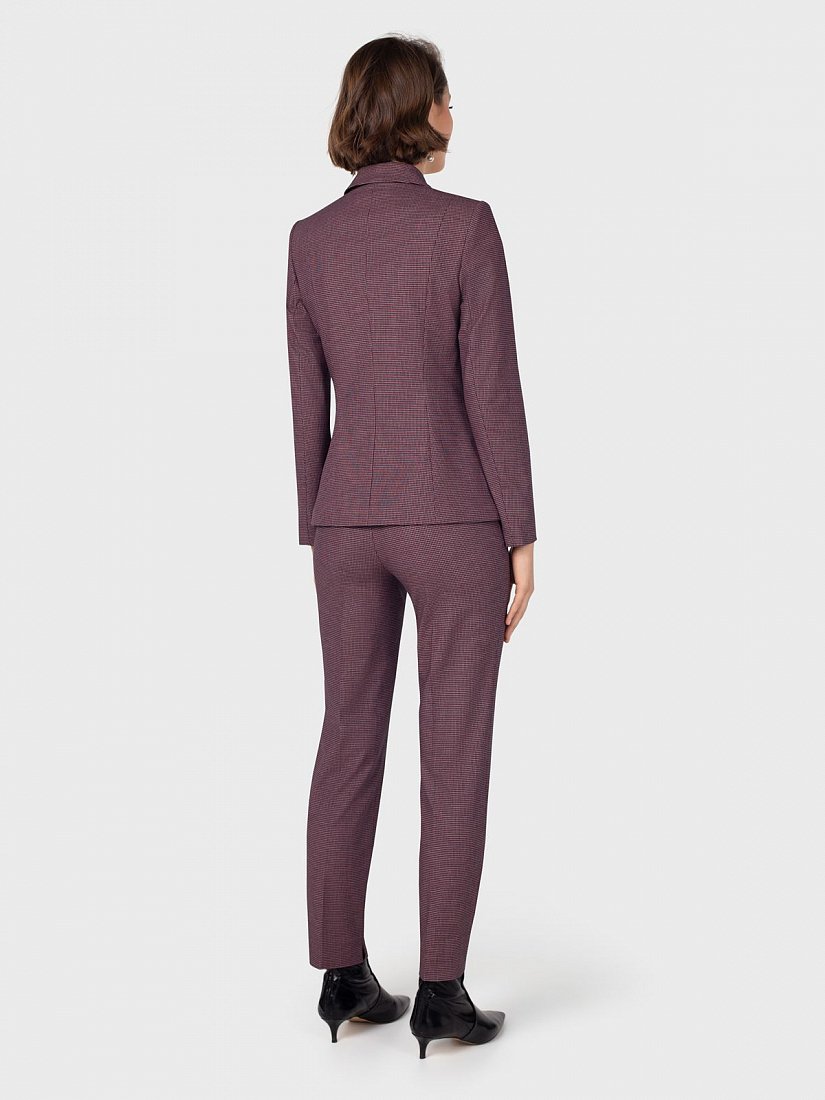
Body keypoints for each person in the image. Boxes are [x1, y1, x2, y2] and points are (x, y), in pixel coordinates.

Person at [286, 34, 537, 1057]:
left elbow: (306, 399)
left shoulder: (308, 240)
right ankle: (441, 992)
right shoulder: (466, 226)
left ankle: (341, 973)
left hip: (344, 519)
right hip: (452, 515)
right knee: (453, 745)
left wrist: (315, 518)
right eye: (444, 99)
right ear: (415, 112)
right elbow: (493, 393)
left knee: (348, 733)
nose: (452, 116)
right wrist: (520, 530)